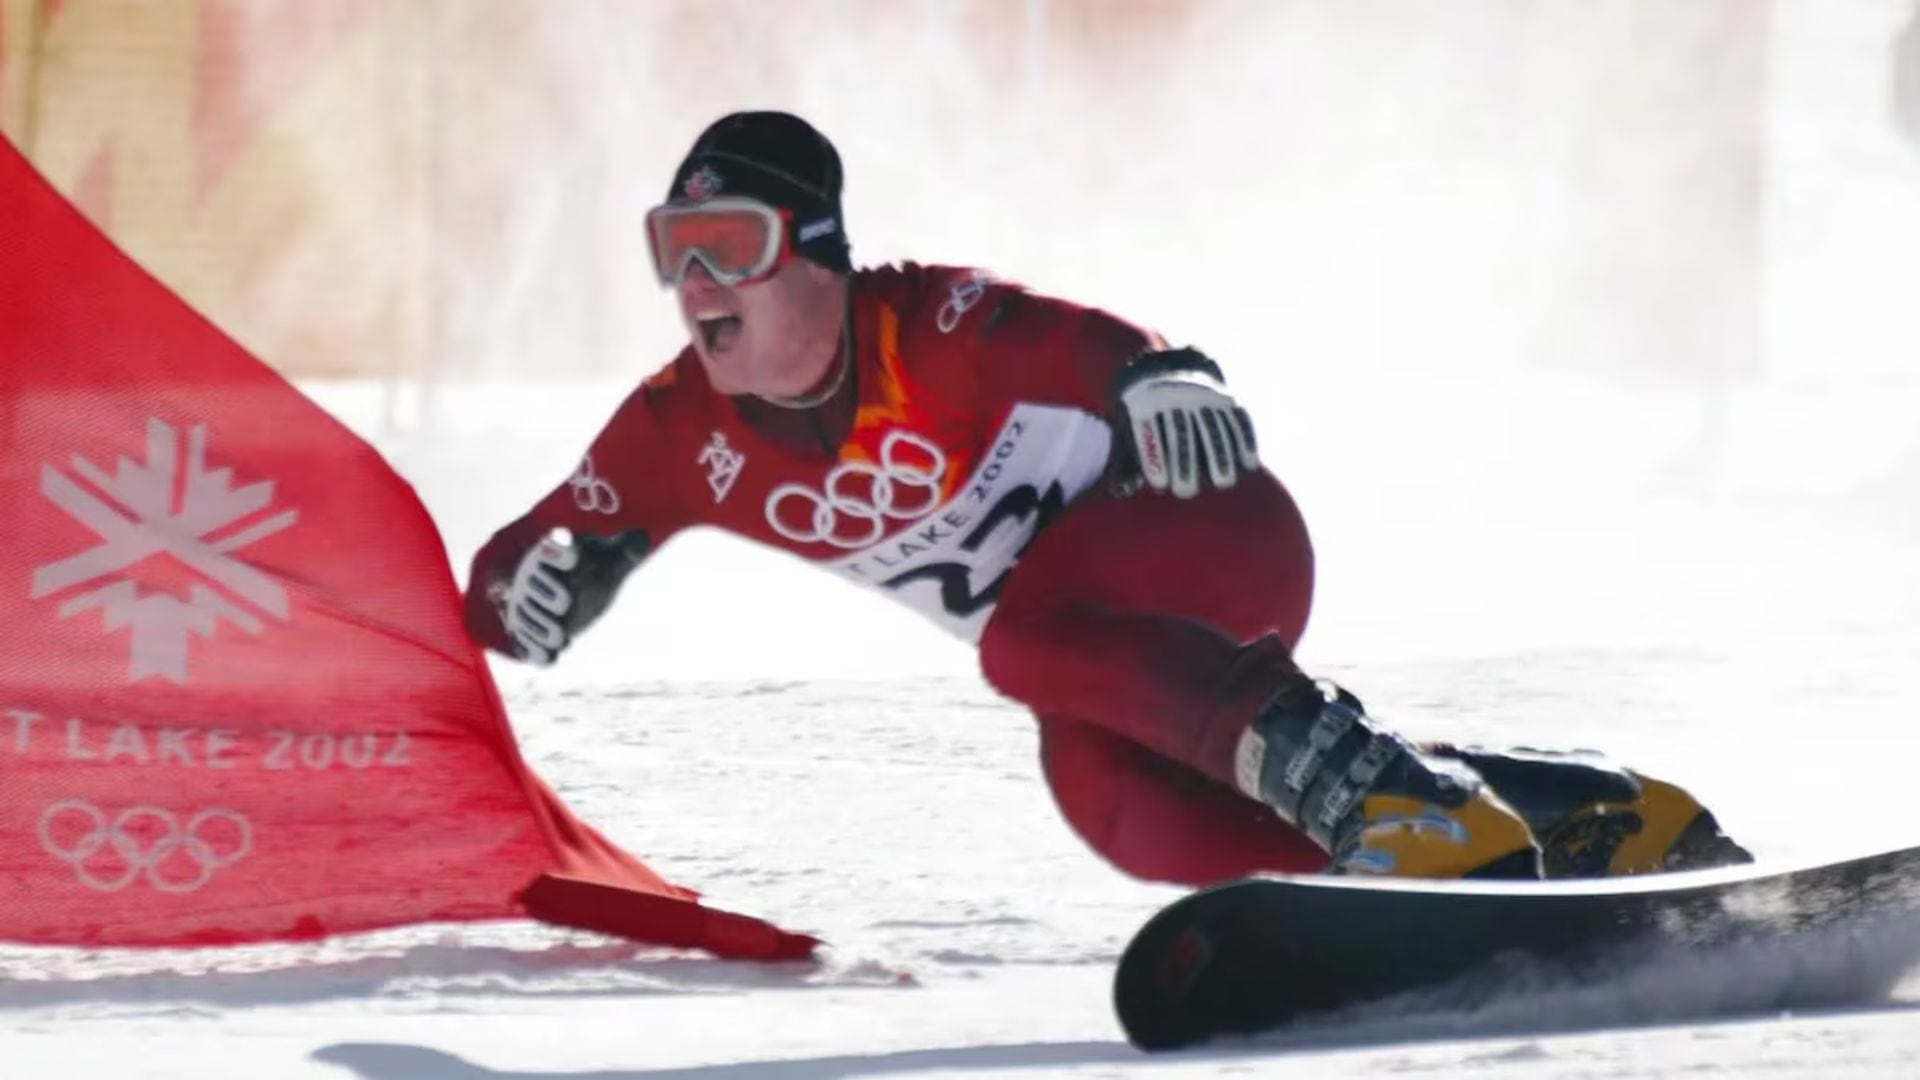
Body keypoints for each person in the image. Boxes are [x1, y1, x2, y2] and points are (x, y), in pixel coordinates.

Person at [464, 111, 1751, 885]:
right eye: (669, 250)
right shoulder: (676, 430)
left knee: (1025, 642)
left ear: (817, 251)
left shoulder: (929, 323)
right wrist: (530, 595)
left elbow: (1088, 344)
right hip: (1110, 665)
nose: (695, 282)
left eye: (729, 244)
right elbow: (520, 563)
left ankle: (1396, 809)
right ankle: (1533, 822)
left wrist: (1161, 376)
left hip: (1209, 542)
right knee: (1114, 807)